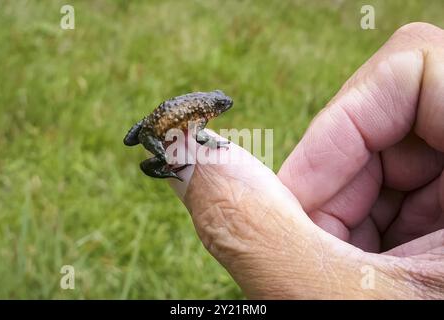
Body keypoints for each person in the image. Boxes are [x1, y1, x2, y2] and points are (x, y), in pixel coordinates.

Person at [170, 23, 444, 299]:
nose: (223, 107)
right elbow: (198, 136)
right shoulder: (197, 118)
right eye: (218, 106)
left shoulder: (198, 112)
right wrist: (208, 147)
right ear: (207, 108)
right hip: (166, 132)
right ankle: (174, 161)